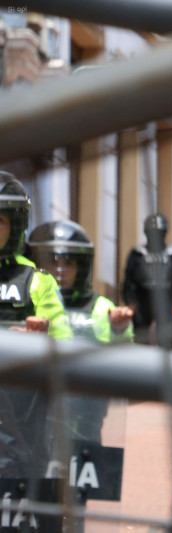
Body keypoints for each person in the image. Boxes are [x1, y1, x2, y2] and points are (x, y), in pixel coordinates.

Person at [27, 220, 134, 443]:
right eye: (52, 262)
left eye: (68, 263)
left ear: (81, 267)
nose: (60, 270)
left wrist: (119, 329)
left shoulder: (101, 307)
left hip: (86, 414)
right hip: (36, 410)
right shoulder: (28, 300)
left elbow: (124, 357)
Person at [0, 172, 72, 490]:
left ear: (16, 226)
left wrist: (41, 338)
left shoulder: (38, 282)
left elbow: (65, 345)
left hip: (22, 428)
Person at [122, 213, 172, 348]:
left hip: (166, 299)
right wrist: (130, 301)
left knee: (167, 338)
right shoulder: (138, 254)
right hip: (142, 299)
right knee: (141, 338)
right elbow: (129, 280)